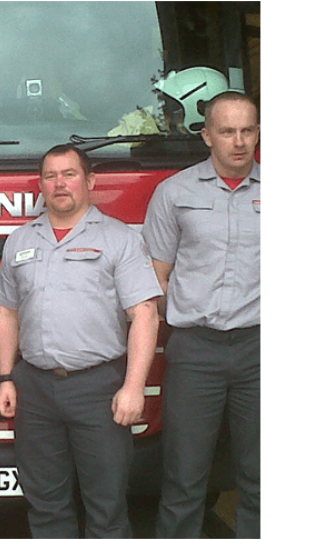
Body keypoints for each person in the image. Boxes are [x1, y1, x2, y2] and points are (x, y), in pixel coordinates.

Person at [0, 144, 162, 538]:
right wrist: (5, 376)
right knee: (46, 504)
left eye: (69, 174)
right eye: (50, 176)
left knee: (106, 505)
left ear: (89, 181)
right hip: (34, 389)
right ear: (40, 186)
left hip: (98, 388)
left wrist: (134, 387)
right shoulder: (19, 241)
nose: (59, 183)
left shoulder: (119, 239)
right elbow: (6, 312)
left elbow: (145, 315)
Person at [143, 91, 263, 538]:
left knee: (263, 477)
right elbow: (156, 275)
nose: (238, 141)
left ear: (257, 135)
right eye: (227, 131)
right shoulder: (174, 193)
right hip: (196, 351)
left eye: (247, 130)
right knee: (183, 477)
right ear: (206, 135)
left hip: (263, 351)